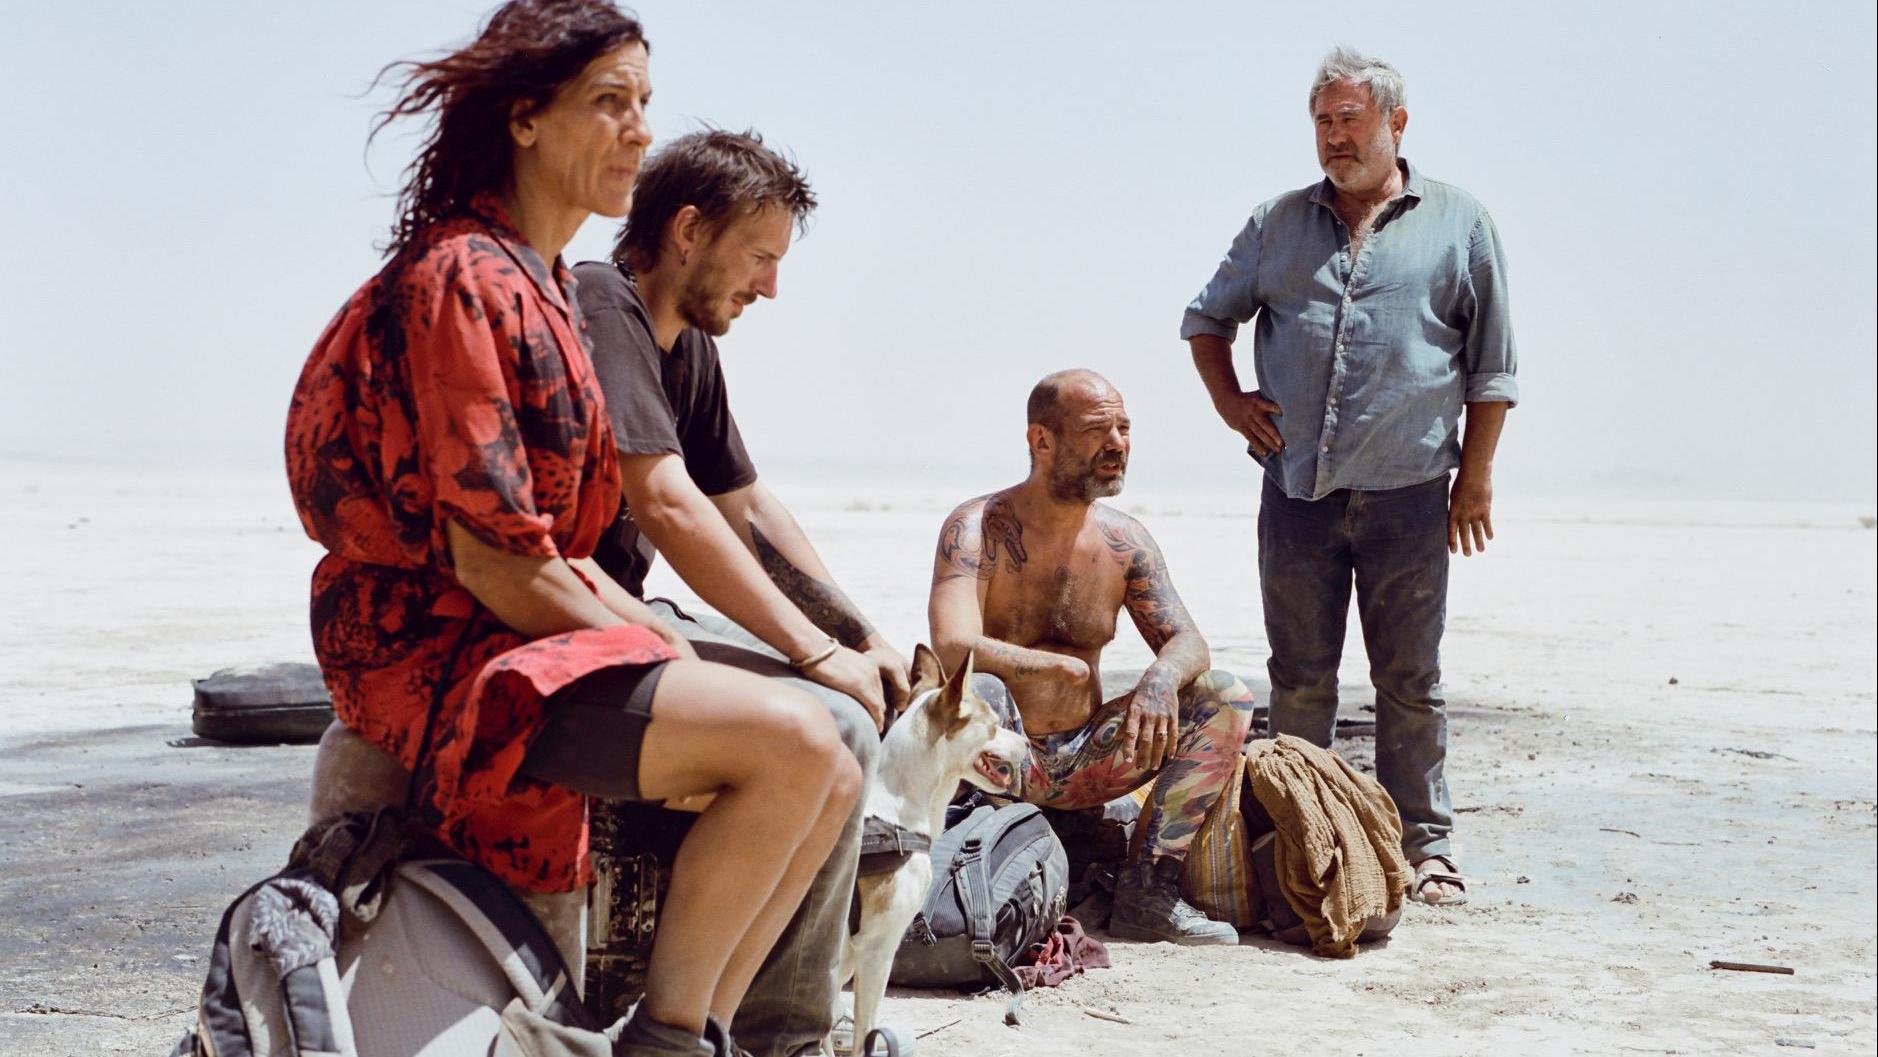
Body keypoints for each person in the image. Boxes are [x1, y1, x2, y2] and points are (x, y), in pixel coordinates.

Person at [284, 5, 859, 1055]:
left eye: (643, 103)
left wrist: (669, 637)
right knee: (792, 742)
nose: (640, 129)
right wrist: (658, 644)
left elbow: (590, 545)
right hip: (450, 659)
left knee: (834, 760)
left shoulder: (541, 282)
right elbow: (500, 562)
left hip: (528, 643)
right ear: (525, 119)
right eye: (610, 102)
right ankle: (672, 1037)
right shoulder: (464, 277)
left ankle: (701, 1030)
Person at [572, 130, 908, 1057]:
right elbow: (669, 504)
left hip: (635, 620)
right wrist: (811, 653)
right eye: (760, 258)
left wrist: (858, 633)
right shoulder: (603, 304)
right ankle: (738, 1034)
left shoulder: (687, 349)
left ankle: (749, 1030)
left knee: (848, 719)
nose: (769, 287)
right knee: (823, 720)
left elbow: (744, 506)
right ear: (688, 230)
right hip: (575, 625)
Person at [1181, 46, 1519, 906]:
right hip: (1296, 494)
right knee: (1300, 676)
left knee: (1411, 679)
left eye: (1350, 120)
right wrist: (1231, 405)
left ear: (1396, 123)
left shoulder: (1460, 222)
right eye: (1323, 122)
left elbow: (1492, 367)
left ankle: (1426, 845)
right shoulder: (1277, 223)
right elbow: (1205, 320)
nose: (1334, 137)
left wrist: (1473, 481)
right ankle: (1297, 836)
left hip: (1412, 495)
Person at [926, 369, 1255, 946]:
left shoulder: (1125, 541)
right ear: (1041, 440)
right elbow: (952, 645)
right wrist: (1057, 668)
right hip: (998, 759)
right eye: (1098, 429)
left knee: (1222, 694)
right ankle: (973, 872)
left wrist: (1160, 676)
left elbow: (1189, 642)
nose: (1118, 444)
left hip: (1086, 761)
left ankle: (1149, 894)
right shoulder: (977, 526)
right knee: (983, 691)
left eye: (1125, 429)